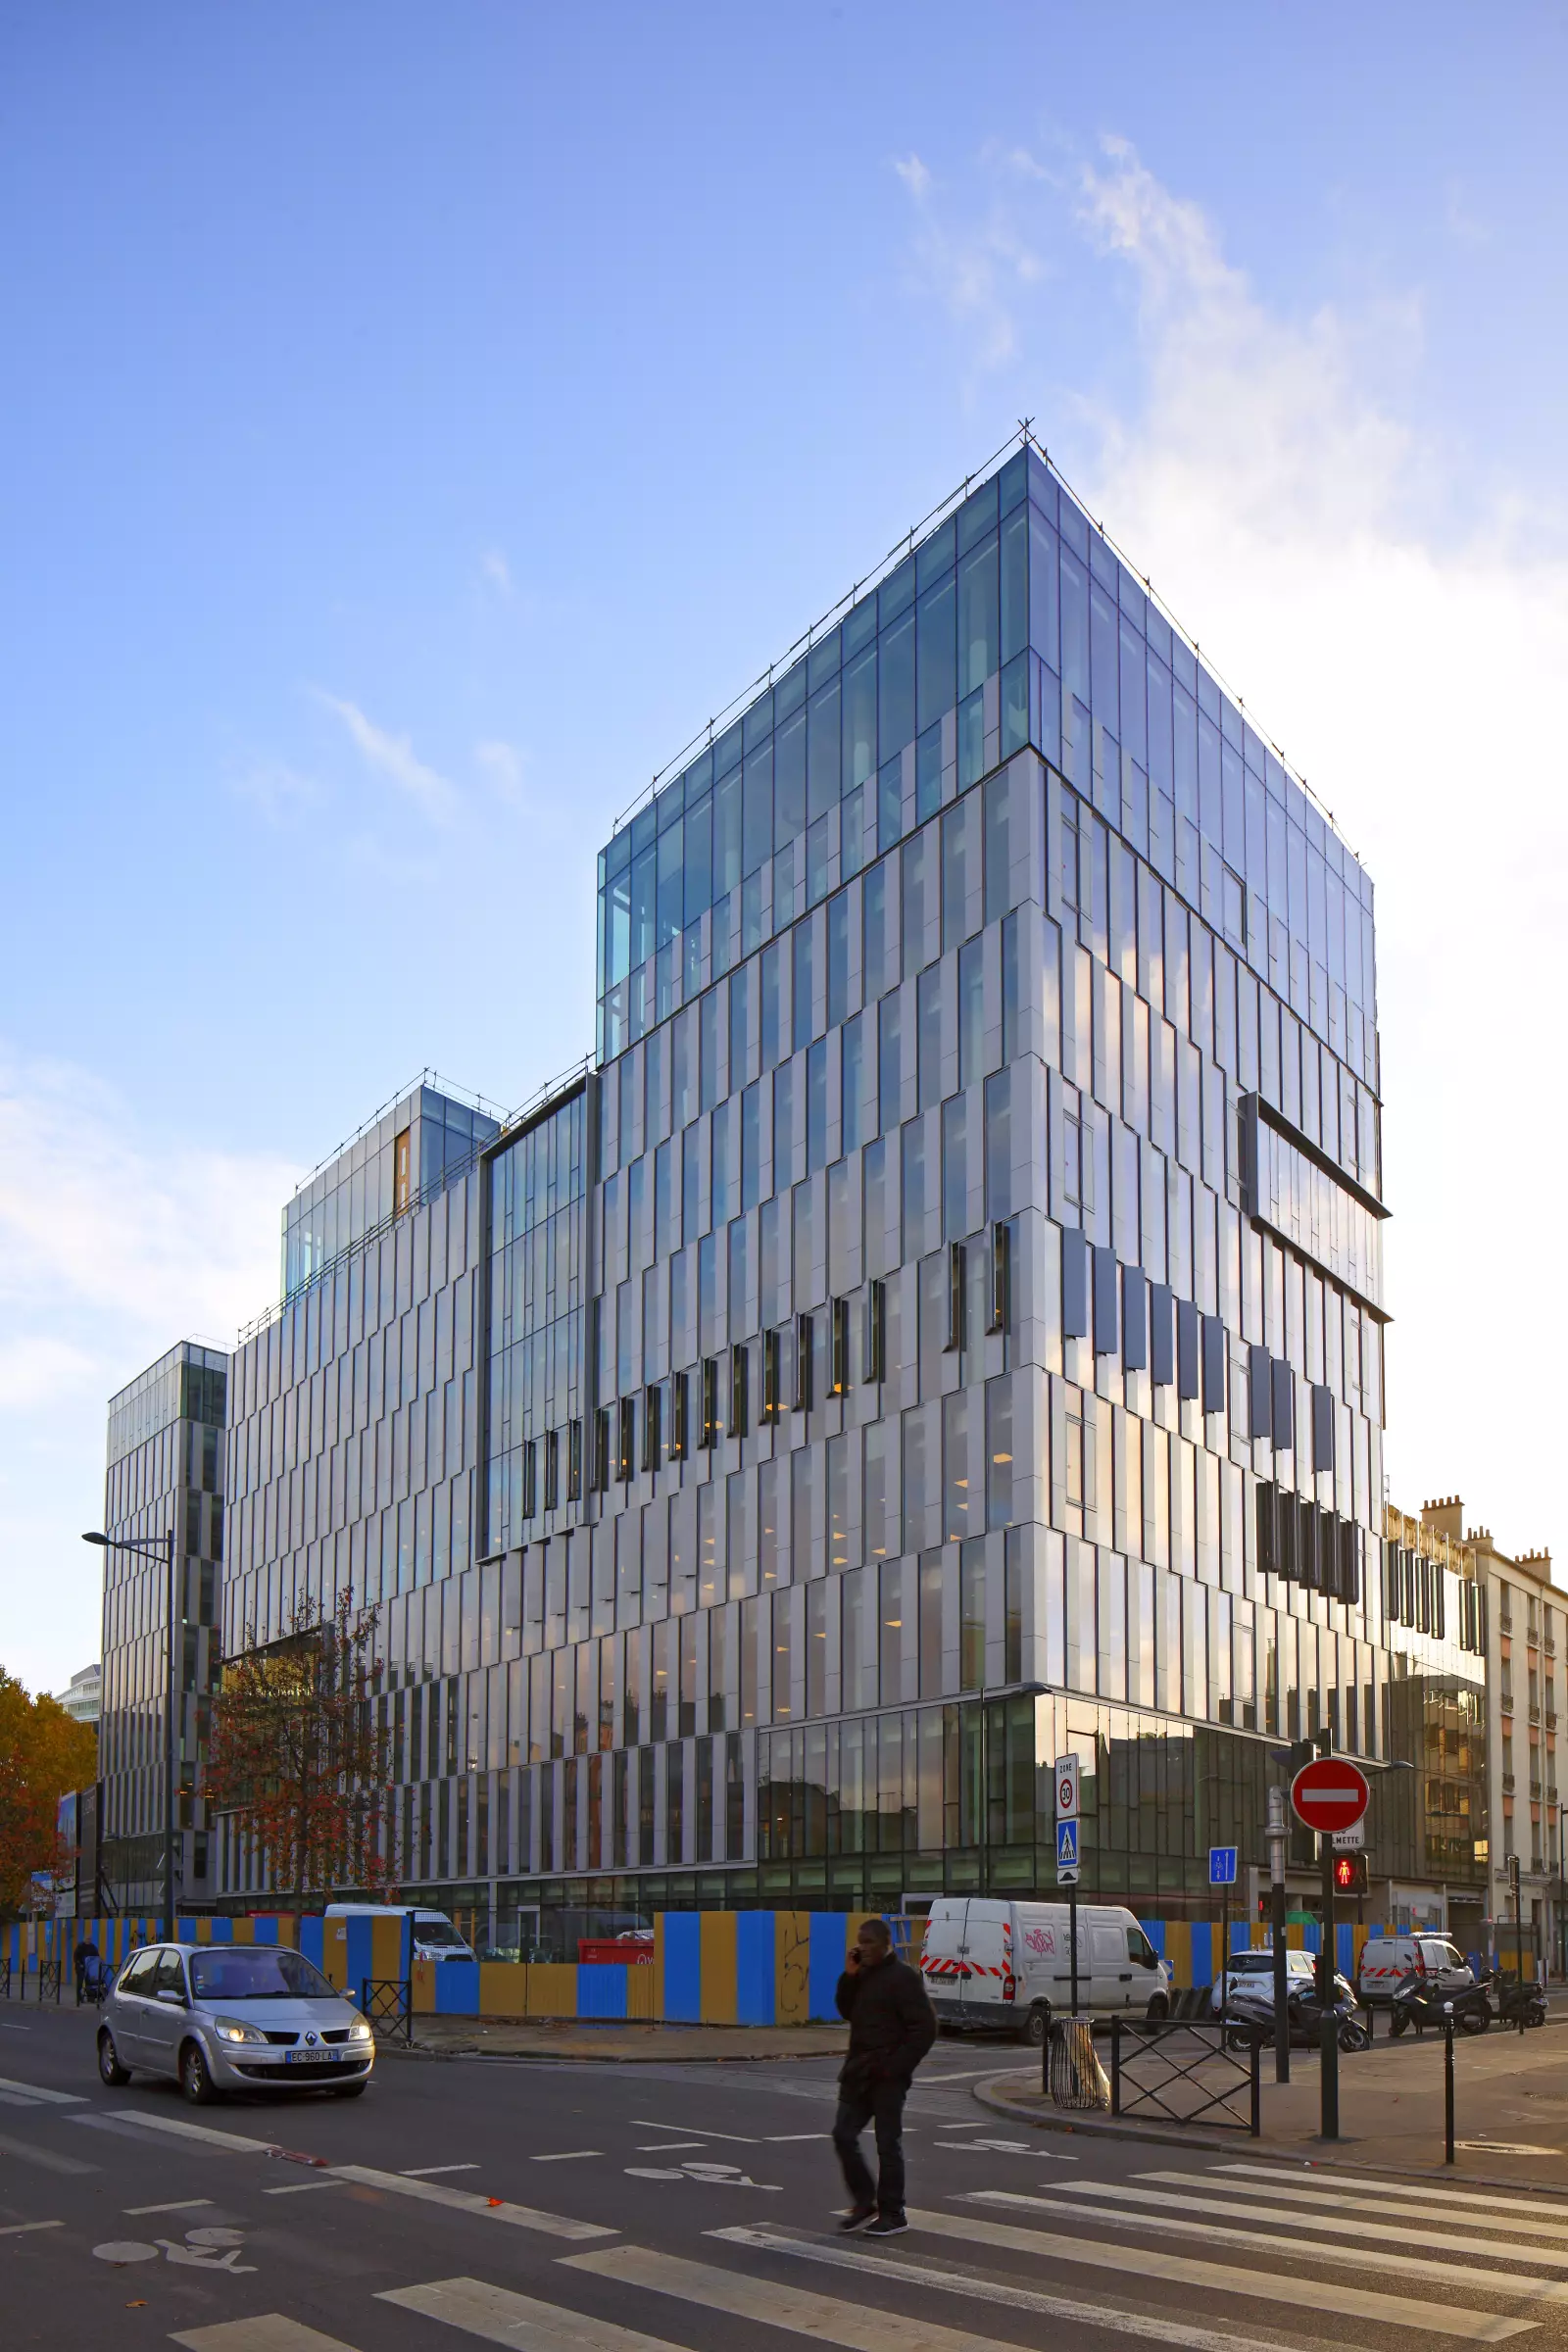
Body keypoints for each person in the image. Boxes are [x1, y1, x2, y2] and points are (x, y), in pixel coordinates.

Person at [832, 1915, 936, 2237]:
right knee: (843, 2134)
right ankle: (865, 2201)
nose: (863, 1948)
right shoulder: (861, 1975)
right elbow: (846, 2010)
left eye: (869, 1942)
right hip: (858, 2072)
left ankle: (893, 2212)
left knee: (887, 2143)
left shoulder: (903, 1978)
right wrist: (849, 1976)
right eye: (860, 1942)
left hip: (888, 2076)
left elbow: (925, 2029)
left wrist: (895, 2068)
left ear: (886, 1944)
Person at [73, 1938, 99, 2005]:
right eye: (87, 1939)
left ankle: (90, 1997)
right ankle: (79, 1998)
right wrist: (79, 1963)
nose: (88, 1940)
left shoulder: (92, 1947)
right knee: (80, 1983)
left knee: (89, 1982)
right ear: (84, 1939)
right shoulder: (80, 1946)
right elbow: (75, 1957)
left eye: (89, 1939)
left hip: (90, 1967)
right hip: (81, 1967)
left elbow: (97, 1956)